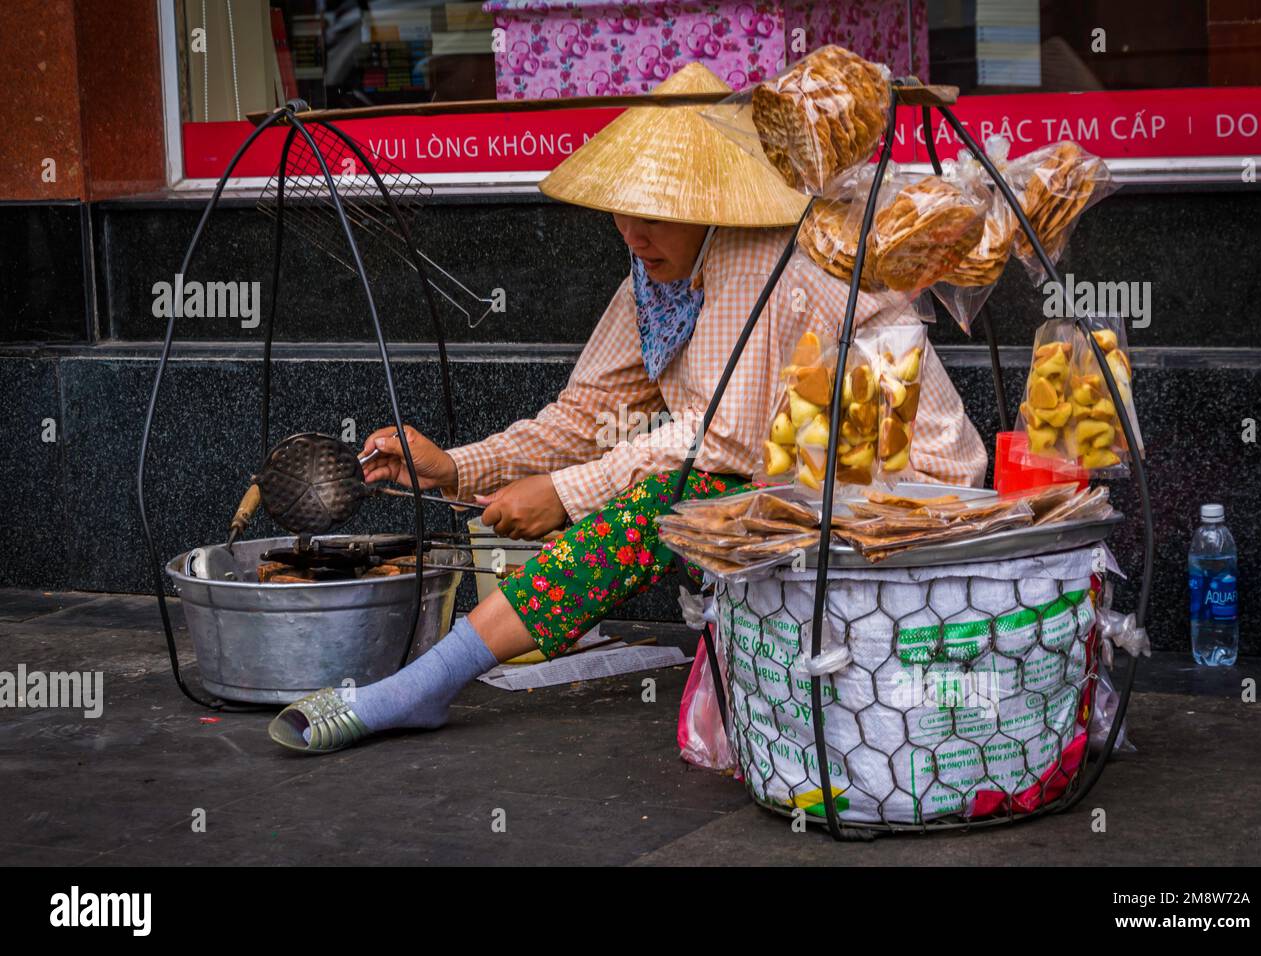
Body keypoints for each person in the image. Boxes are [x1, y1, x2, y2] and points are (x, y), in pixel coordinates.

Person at [268, 63, 987, 753]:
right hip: (800, 482)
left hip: (903, 496)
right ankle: (429, 681)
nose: (634, 236)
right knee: (670, 496)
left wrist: (568, 493)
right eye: (625, 213)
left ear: (711, 209)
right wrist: (455, 466)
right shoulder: (655, 281)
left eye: (656, 217)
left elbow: (721, 444)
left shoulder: (757, 259)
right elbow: (584, 415)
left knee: (667, 502)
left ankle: (422, 686)